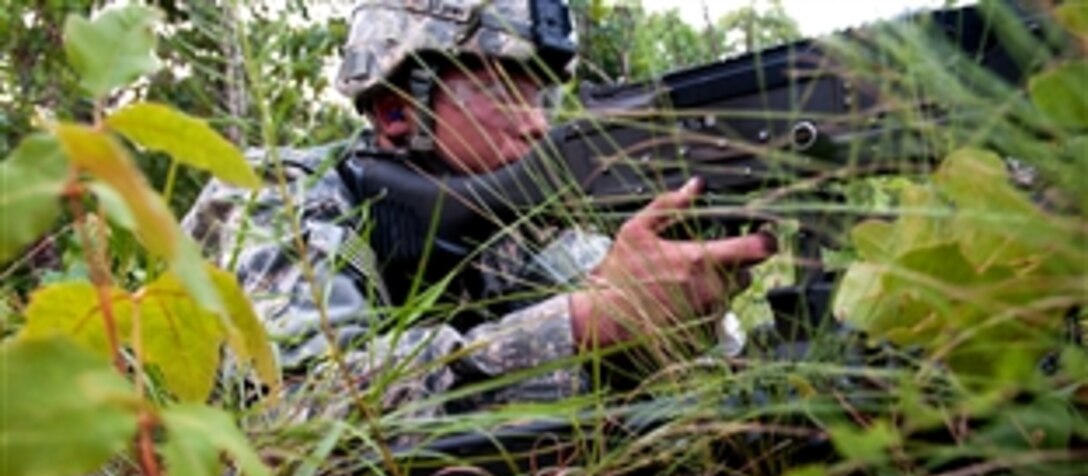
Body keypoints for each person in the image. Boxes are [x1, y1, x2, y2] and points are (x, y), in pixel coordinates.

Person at [182, 0, 776, 417]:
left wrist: (683, 311)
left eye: (542, 92)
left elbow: (697, 378)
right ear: (396, 111)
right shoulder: (272, 197)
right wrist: (585, 325)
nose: (538, 122)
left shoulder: (511, 231)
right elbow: (300, 410)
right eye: (502, 88)